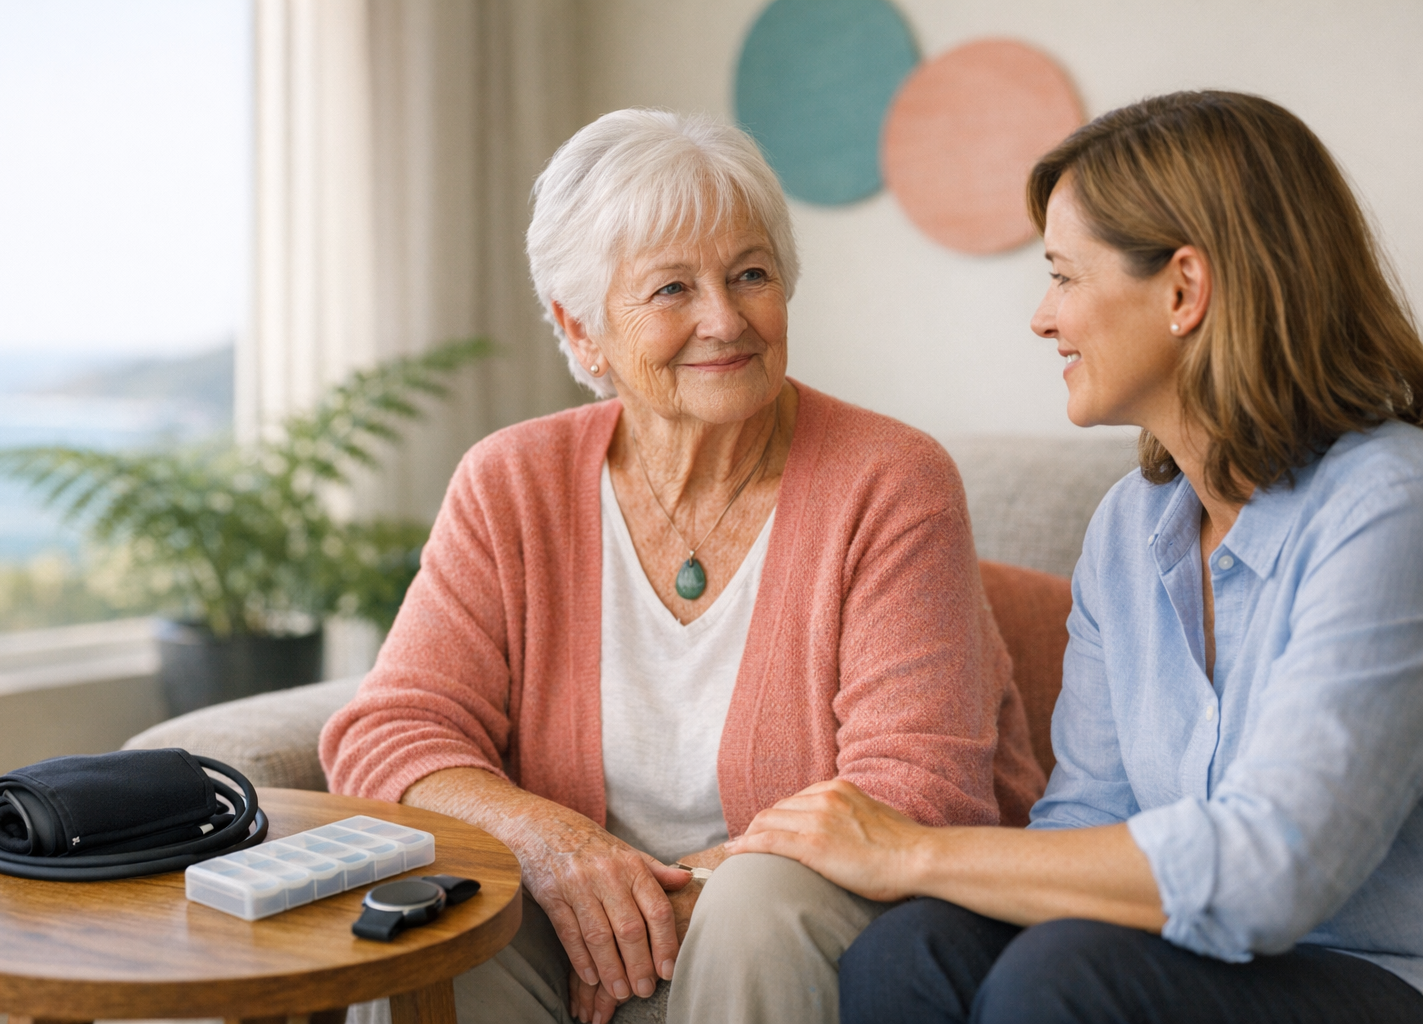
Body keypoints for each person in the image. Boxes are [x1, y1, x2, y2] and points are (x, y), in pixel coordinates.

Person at [319, 108, 1045, 1024]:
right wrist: (555, 849)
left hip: (810, 919)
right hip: (574, 920)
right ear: (582, 330)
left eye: (751, 274)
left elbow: (918, 789)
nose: (724, 319)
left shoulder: (891, 480)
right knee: (440, 934)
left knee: (754, 906)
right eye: (671, 290)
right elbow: (387, 733)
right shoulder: (512, 483)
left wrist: (652, 895)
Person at [727, 90, 1423, 1024]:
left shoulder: (1387, 506)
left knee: (1060, 978)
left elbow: (1277, 870)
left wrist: (910, 851)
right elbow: (1085, 822)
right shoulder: (1131, 529)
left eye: (1063, 275)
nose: (1042, 318)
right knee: (910, 952)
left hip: (1374, 970)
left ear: (1184, 290)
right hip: (1186, 955)